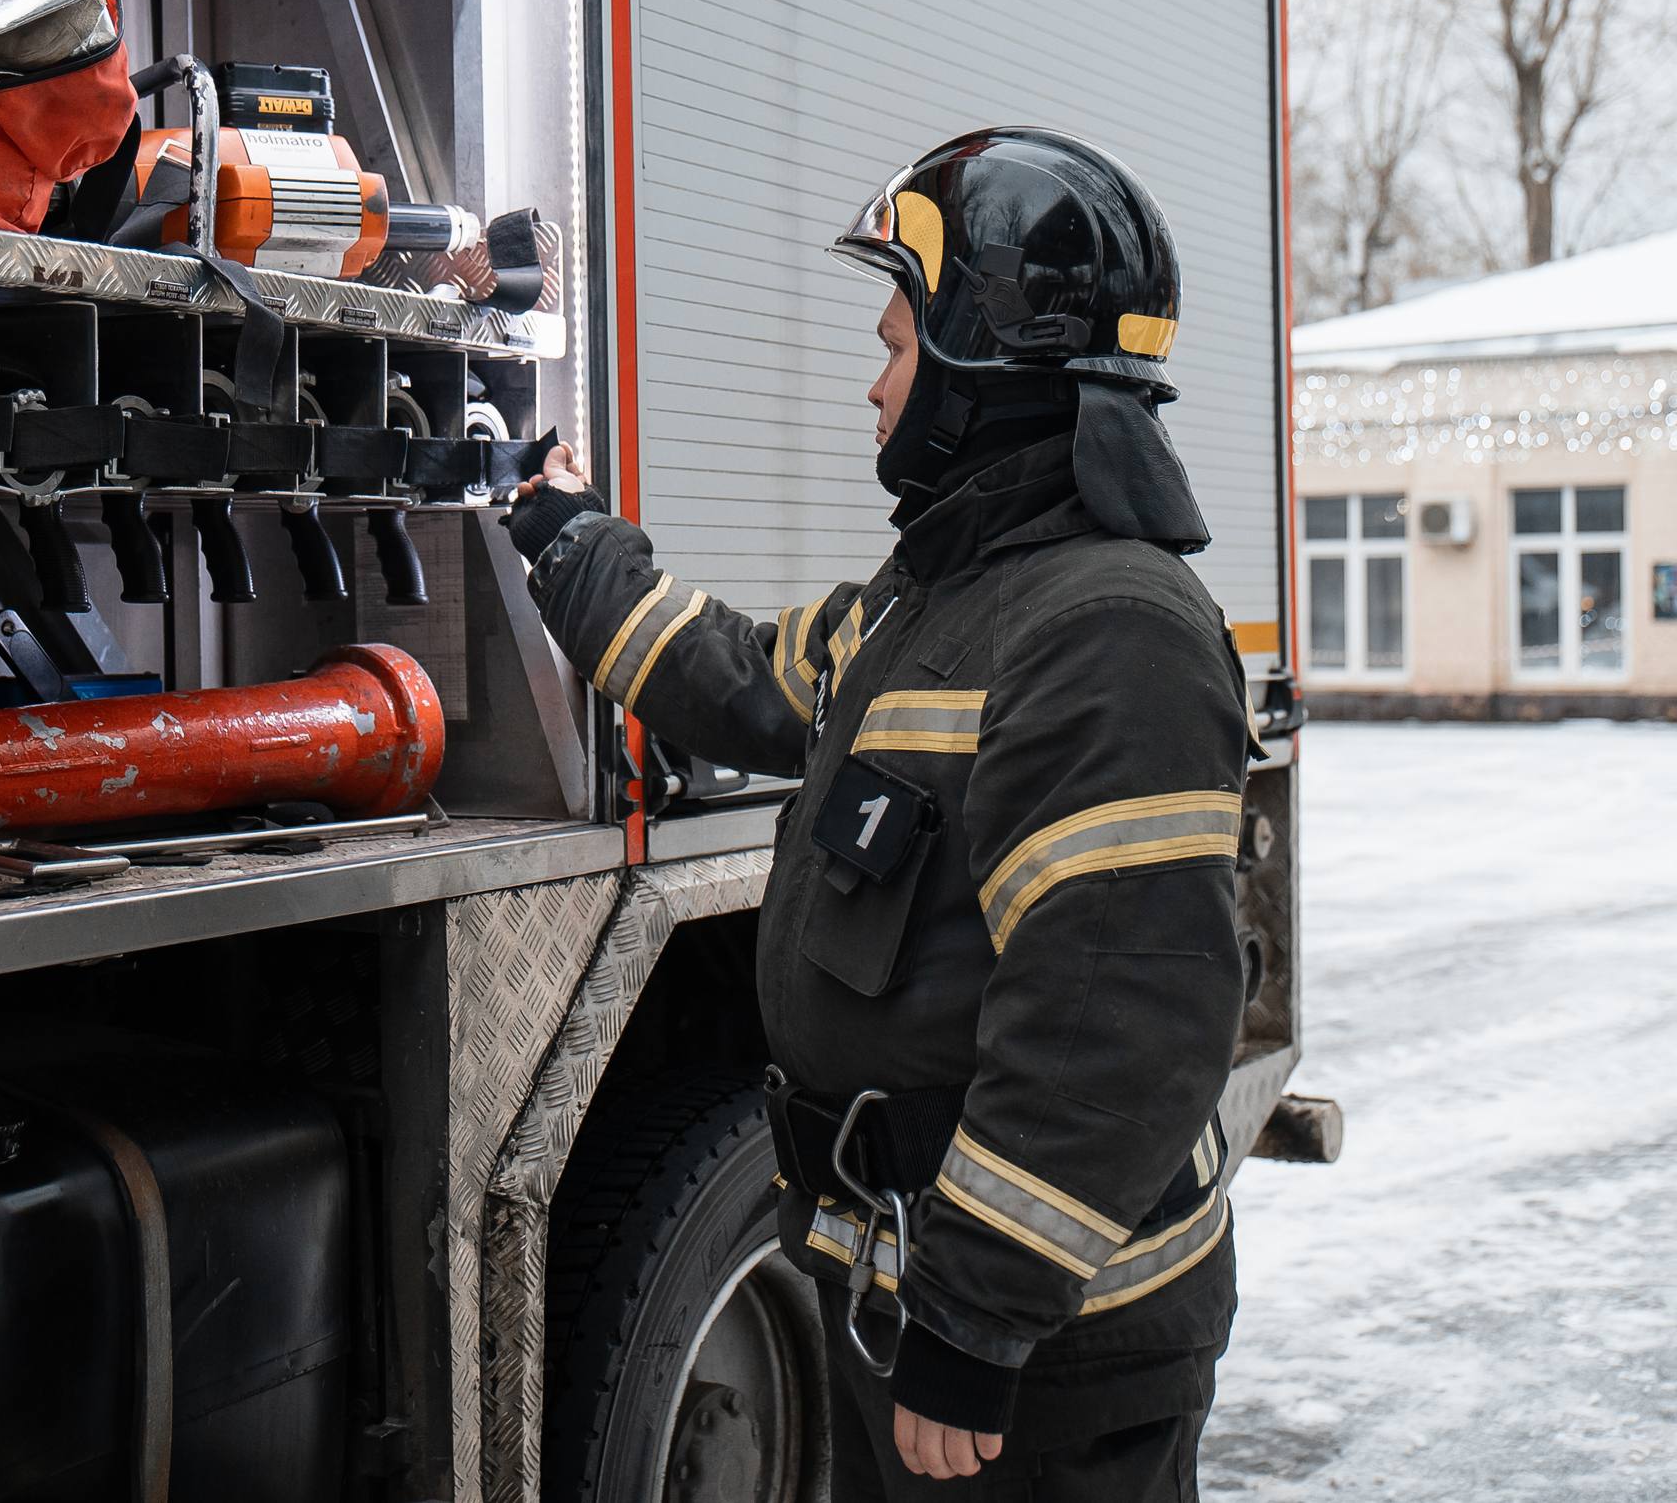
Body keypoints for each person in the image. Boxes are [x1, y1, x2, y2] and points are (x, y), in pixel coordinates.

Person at [505, 129, 1256, 1497]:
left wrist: (975, 1328)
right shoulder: (938, 603)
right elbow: (743, 682)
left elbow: (1120, 1024)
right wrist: (573, 549)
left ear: (983, 366)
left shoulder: (1109, 633)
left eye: (898, 344)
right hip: (908, 1300)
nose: (873, 384)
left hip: (1046, 1361)